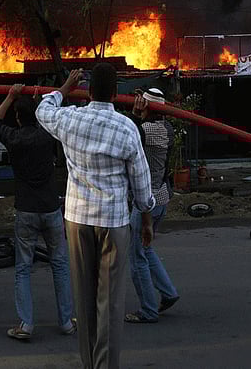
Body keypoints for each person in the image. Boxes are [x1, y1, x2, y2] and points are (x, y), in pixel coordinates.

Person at [36, 65, 155, 369]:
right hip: (113, 222)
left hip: (77, 220)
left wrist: (64, 87)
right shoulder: (126, 128)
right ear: (115, 93)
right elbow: (142, 185)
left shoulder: (69, 119)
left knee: (85, 299)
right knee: (110, 303)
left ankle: (90, 364)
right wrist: (147, 217)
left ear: (88, 92)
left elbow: (42, 110)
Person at [0, 83, 75, 341]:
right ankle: (66, 322)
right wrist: (41, 102)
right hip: (50, 208)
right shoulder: (47, 135)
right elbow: (51, 116)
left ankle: (26, 324)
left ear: (17, 117)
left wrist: (10, 95)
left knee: (23, 268)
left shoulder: (13, 138)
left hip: (26, 210)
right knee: (59, 264)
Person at [125, 88, 179, 323]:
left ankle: (148, 309)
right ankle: (168, 292)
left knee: (137, 256)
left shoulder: (147, 130)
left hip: (146, 200)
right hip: (162, 197)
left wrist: (136, 114)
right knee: (146, 249)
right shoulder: (167, 128)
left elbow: (130, 134)